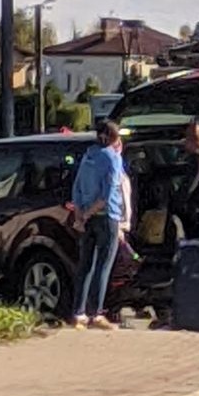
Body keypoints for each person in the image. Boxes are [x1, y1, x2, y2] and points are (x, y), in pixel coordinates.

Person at [70, 120, 127, 331]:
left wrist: (80, 216)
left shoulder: (88, 155)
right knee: (103, 266)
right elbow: (107, 194)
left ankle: (78, 313)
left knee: (85, 265)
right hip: (106, 217)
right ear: (114, 138)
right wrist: (88, 213)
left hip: (87, 218)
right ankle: (96, 313)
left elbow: (76, 189)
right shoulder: (113, 158)